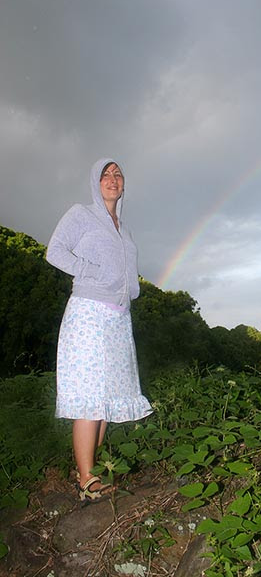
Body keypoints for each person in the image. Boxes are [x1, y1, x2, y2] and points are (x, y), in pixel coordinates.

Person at [46, 158, 153, 502]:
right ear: (96, 181)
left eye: (117, 174)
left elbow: (125, 269)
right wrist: (90, 271)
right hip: (88, 313)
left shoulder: (124, 229)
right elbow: (54, 251)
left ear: (123, 184)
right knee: (90, 396)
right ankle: (85, 478)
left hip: (119, 318)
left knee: (106, 399)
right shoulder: (82, 214)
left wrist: (132, 289)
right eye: (106, 174)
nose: (112, 179)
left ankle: (90, 468)